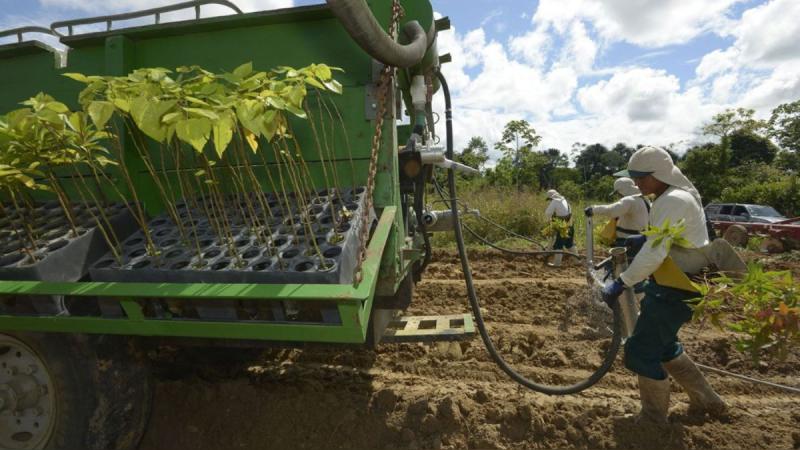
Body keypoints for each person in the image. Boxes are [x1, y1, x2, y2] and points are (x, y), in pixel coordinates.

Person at [601, 146, 726, 424]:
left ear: (659, 174)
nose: (636, 183)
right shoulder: (671, 196)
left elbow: (657, 252)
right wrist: (644, 239)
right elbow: (671, 237)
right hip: (681, 282)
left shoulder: (672, 200)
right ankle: (708, 400)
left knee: (641, 350)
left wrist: (622, 282)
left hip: (676, 287)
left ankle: (653, 419)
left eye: (641, 177)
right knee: (665, 347)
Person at [584, 177, 650, 248]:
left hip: (629, 241)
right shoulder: (643, 199)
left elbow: (611, 210)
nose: (618, 196)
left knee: (626, 259)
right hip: (640, 239)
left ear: (622, 190)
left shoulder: (629, 200)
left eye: (618, 193)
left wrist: (593, 209)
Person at [543, 189, 574, 267]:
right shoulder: (564, 200)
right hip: (570, 225)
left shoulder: (555, 201)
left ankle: (557, 264)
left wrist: (548, 223)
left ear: (551, 197)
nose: (549, 201)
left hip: (562, 226)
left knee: (558, 244)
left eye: (549, 199)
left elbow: (547, 213)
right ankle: (577, 261)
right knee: (569, 244)